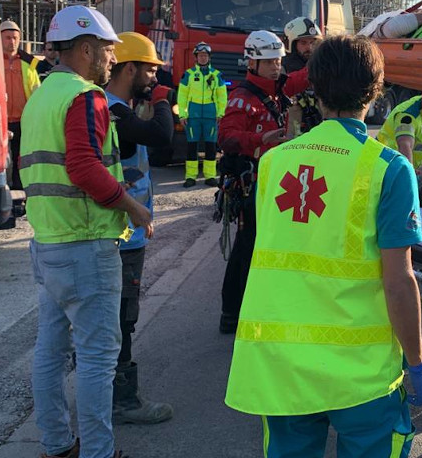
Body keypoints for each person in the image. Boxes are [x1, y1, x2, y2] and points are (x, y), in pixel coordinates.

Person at [226, 34, 422, 457]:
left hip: (281, 363)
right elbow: (398, 281)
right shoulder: (389, 169)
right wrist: (417, 362)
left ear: (315, 89)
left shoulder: (274, 161)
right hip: (361, 373)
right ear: (375, 91)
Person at [20, 5, 152, 458]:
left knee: (51, 351)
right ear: (85, 49)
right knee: (97, 356)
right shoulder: (85, 96)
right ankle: (98, 452)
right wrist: (133, 207)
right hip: (85, 243)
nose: (113, 58)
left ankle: (57, 445)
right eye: (108, 50)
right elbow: (82, 167)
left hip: (48, 242)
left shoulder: (41, 97)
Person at [216, 30, 310, 334]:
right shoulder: (242, 99)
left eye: (278, 61)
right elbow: (226, 138)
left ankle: (263, 306)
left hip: (276, 182)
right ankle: (231, 313)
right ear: (252, 63)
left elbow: (306, 76)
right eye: (269, 62)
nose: (275, 67)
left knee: (273, 245)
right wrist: (260, 139)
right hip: (253, 184)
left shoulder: (280, 89)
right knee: (247, 248)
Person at [102, 32, 174, 425]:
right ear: (128, 69)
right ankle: (121, 400)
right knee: (121, 316)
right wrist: (162, 101)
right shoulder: (113, 110)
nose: (154, 78)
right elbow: (160, 136)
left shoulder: (120, 108)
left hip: (127, 233)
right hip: (121, 235)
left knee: (119, 315)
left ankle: (110, 394)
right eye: (149, 70)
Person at [177, 41, 225, 188]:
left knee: (211, 147)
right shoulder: (189, 74)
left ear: (209, 57)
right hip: (193, 116)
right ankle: (190, 177)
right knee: (192, 146)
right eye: (200, 55)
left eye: (205, 55)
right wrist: (182, 114)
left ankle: (210, 176)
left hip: (211, 116)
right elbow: (182, 96)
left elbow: (222, 96)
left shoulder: (216, 75)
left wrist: (221, 113)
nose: (203, 58)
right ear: (196, 58)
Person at [1, 20, 41, 191]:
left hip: (23, 121)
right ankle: (3, 188)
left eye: (15, 38)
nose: (12, 41)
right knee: (0, 158)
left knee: (21, 157)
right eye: (8, 37)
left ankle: (19, 189)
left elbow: (37, 92)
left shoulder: (29, 64)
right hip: (0, 121)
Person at [376, 92, 422, 170]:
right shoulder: (409, 114)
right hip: (382, 164)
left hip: (400, 166)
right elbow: (405, 145)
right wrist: (409, 171)